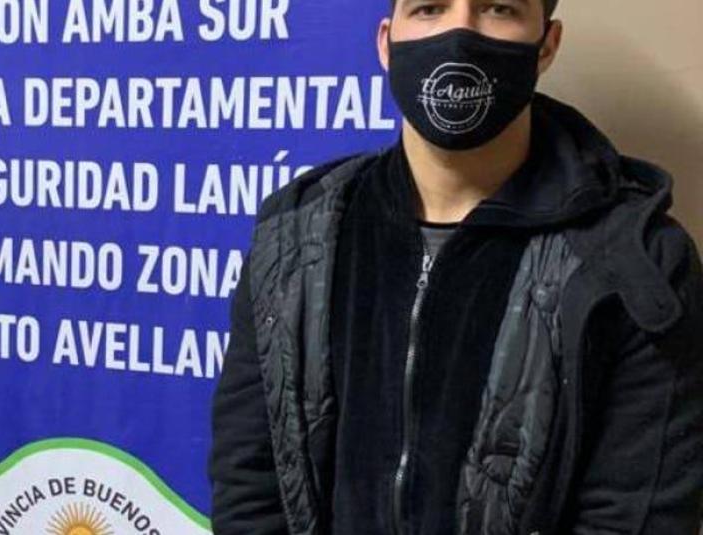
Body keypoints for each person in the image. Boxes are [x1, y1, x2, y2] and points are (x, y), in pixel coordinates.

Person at [209, 0, 703, 533]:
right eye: (429, 8)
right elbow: (251, 487)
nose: (460, 33)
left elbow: (634, 516)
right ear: (386, 43)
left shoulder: (637, 261)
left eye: (499, 8)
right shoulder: (294, 237)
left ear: (547, 45)